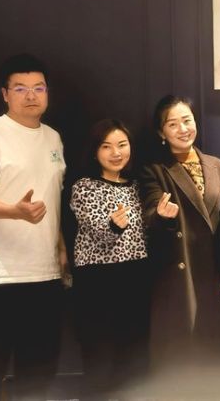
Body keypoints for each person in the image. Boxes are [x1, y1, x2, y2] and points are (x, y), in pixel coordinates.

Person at [0, 53, 67, 399]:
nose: (31, 95)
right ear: (5, 94)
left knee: (38, 375)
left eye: (39, 88)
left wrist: (61, 247)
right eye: (20, 88)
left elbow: (52, 200)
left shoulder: (53, 138)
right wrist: (15, 212)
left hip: (44, 275)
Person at [139, 95, 220, 368]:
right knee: (177, 351)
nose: (182, 129)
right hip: (177, 271)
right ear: (161, 133)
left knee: (210, 349)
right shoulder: (155, 170)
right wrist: (161, 215)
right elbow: (149, 214)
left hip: (213, 271)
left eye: (187, 120)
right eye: (172, 124)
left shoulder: (218, 166)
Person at [68, 119, 150, 397]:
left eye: (122, 145)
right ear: (95, 152)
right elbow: (99, 234)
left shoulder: (137, 185)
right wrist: (115, 225)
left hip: (135, 278)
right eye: (106, 146)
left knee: (134, 356)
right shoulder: (84, 187)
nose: (116, 153)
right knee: (100, 359)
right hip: (98, 282)